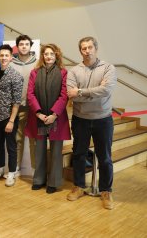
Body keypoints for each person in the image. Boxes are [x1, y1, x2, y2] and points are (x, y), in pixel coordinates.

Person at [66, 36, 117, 210]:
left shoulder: (108, 68)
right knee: (79, 154)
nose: (87, 51)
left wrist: (80, 92)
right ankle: (79, 186)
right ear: (80, 51)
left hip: (103, 119)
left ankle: (106, 190)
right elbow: (70, 94)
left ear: (96, 48)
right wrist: (92, 93)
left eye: (89, 47)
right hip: (81, 120)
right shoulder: (73, 71)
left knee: (105, 158)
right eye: (83, 48)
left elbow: (106, 90)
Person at [25, 44, 71, 194]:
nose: (49, 56)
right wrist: (38, 113)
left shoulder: (64, 73)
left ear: (57, 55)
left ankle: (54, 182)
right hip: (38, 117)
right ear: (42, 56)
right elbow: (30, 94)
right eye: (46, 54)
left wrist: (53, 115)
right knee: (39, 150)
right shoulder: (34, 72)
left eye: (52, 54)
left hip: (56, 118)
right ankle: (39, 180)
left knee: (56, 151)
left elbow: (64, 95)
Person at [0, 44, 23, 187]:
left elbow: (17, 102)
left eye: (6, 55)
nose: (3, 58)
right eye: (1, 55)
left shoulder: (16, 76)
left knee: (11, 147)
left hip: (8, 118)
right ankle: (0, 168)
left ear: (11, 57)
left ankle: (11, 173)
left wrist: (11, 121)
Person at [11, 35, 37, 175]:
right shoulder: (10, 63)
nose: (24, 46)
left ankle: (34, 169)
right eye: (21, 44)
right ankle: (16, 168)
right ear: (17, 46)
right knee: (18, 138)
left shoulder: (37, 63)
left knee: (33, 139)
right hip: (18, 107)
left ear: (30, 46)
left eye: (27, 44)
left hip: (34, 108)